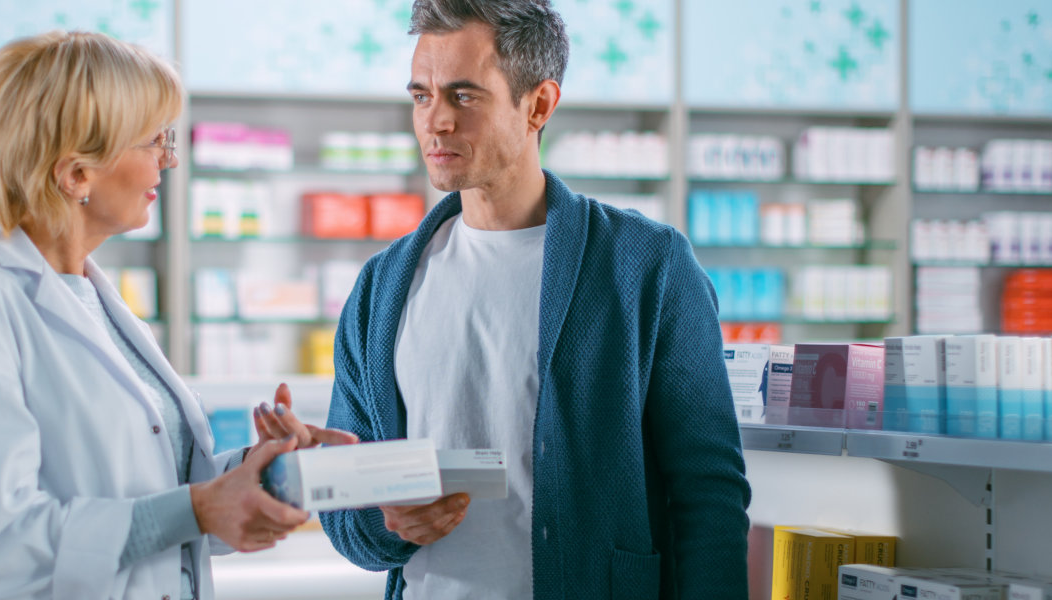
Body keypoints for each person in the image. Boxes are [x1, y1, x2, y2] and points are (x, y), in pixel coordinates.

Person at [0, 31, 354, 600]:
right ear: (76, 173)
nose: (170, 160)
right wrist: (199, 509)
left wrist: (253, 471)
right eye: (154, 141)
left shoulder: (89, 295)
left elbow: (149, 486)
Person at [319, 1, 752, 598]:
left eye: (464, 96)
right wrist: (384, 520)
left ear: (539, 105)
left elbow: (708, 494)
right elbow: (345, 509)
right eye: (421, 96)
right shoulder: (382, 286)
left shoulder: (647, 266)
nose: (435, 122)